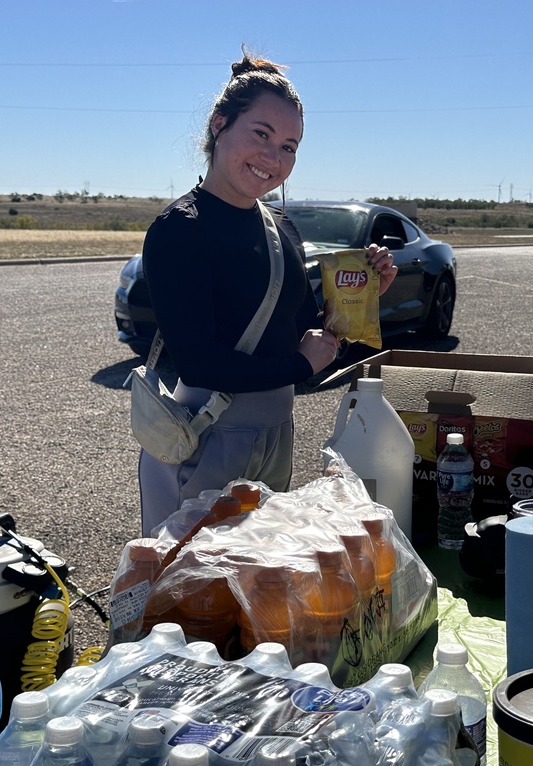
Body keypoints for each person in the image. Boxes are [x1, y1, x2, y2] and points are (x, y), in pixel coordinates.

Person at [137, 51, 397, 536]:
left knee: (259, 585)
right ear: (219, 125)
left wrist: (363, 299)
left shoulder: (281, 229)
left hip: (275, 435)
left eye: (290, 146)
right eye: (261, 134)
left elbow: (305, 335)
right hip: (202, 439)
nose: (274, 158)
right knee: (185, 595)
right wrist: (301, 366)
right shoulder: (179, 229)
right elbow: (199, 362)